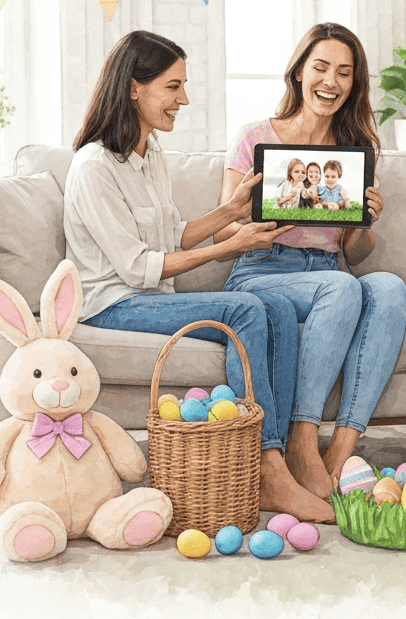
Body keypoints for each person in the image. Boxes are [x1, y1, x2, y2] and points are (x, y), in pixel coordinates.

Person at [62, 30, 333, 522]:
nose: (183, 99)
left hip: (145, 294)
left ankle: (278, 458)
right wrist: (230, 246)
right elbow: (137, 266)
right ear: (134, 88)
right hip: (112, 303)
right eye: (173, 86)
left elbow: (174, 234)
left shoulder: (150, 153)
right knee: (245, 307)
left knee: (275, 307)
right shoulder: (94, 167)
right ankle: (267, 467)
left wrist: (231, 211)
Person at [215, 22, 406, 502]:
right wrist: (253, 225)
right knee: (342, 287)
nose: (330, 81)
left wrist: (364, 222)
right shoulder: (255, 137)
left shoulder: (356, 149)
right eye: (321, 67)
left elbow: (353, 254)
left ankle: (340, 451)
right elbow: (221, 233)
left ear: (354, 82)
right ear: (299, 72)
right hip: (261, 268)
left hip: (326, 272)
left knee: (388, 287)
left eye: (344, 72)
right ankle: (302, 438)